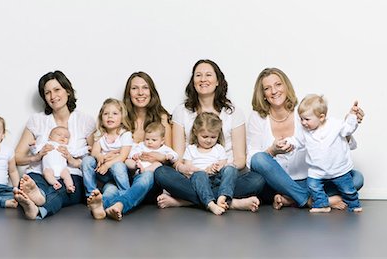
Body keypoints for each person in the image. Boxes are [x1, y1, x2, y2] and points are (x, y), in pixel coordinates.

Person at [247, 67, 365, 210]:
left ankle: (292, 199)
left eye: (278, 84)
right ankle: (308, 200)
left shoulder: (303, 111)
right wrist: (272, 151)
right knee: (259, 158)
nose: (274, 91)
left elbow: (327, 135)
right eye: (267, 88)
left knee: (356, 178)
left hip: (308, 181)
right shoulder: (257, 117)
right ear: (263, 94)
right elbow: (252, 160)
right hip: (274, 184)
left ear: (286, 86)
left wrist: (347, 125)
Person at [155, 59, 264, 212]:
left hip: (225, 178)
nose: (203, 79)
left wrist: (224, 167)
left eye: (208, 75)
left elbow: (240, 159)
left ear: (218, 80)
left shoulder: (233, 112)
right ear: (193, 82)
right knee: (161, 173)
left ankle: (185, 201)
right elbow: (177, 157)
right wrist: (185, 168)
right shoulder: (181, 111)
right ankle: (231, 202)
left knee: (258, 180)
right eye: (198, 75)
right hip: (192, 177)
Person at [86, 72, 170, 221]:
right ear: (128, 93)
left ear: (151, 91)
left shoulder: (161, 117)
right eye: (134, 88)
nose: (140, 93)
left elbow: (169, 155)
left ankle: (121, 205)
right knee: (110, 189)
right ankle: (99, 208)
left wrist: (154, 158)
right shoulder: (120, 116)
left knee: (146, 177)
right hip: (121, 175)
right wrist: (108, 155)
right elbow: (100, 140)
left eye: (145, 88)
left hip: (146, 176)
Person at [13, 70, 96, 219]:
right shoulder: (37, 120)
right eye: (47, 93)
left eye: (57, 90)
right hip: (39, 173)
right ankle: (37, 196)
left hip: (71, 176)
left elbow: (94, 158)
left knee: (61, 189)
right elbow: (17, 157)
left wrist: (74, 162)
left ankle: (37, 208)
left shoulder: (85, 121)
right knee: (31, 183)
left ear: (68, 91)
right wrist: (36, 157)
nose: (53, 96)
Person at [284, 94, 362, 212]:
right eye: (301, 119)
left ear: (321, 117)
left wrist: (352, 116)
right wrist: (288, 143)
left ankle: (354, 205)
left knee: (348, 189)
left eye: (307, 119)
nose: (303, 122)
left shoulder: (335, 125)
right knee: (313, 186)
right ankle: (322, 204)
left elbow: (348, 129)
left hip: (338, 168)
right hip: (317, 170)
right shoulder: (305, 130)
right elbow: (297, 140)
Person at [184, 112, 239, 215]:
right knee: (199, 175)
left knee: (231, 169)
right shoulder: (191, 149)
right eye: (205, 136)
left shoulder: (218, 148)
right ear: (196, 132)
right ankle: (210, 203)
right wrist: (204, 170)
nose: (209, 140)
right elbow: (188, 168)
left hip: (217, 179)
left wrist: (217, 166)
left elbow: (223, 163)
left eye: (213, 137)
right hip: (200, 180)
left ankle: (222, 196)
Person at [82, 98, 133, 196]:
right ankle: (91, 194)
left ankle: (125, 194)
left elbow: (122, 156)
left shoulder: (125, 134)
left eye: (115, 113)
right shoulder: (100, 133)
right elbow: (94, 152)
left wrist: (107, 164)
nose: (110, 116)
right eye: (106, 114)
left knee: (118, 165)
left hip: (118, 172)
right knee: (87, 160)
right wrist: (99, 156)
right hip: (101, 172)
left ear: (122, 117)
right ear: (101, 118)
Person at [32, 126, 85, 193]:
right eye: (59, 135)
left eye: (66, 137)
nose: (63, 137)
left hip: (62, 168)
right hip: (49, 167)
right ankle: (55, 183)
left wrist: (86, 149)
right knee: (47, 173)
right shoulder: (46, 144)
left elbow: (76, 153)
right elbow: (35, 150)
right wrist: (33, 145)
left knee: (67, 175)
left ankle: (70, 186)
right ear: (50, 137)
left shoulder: (66, 147)